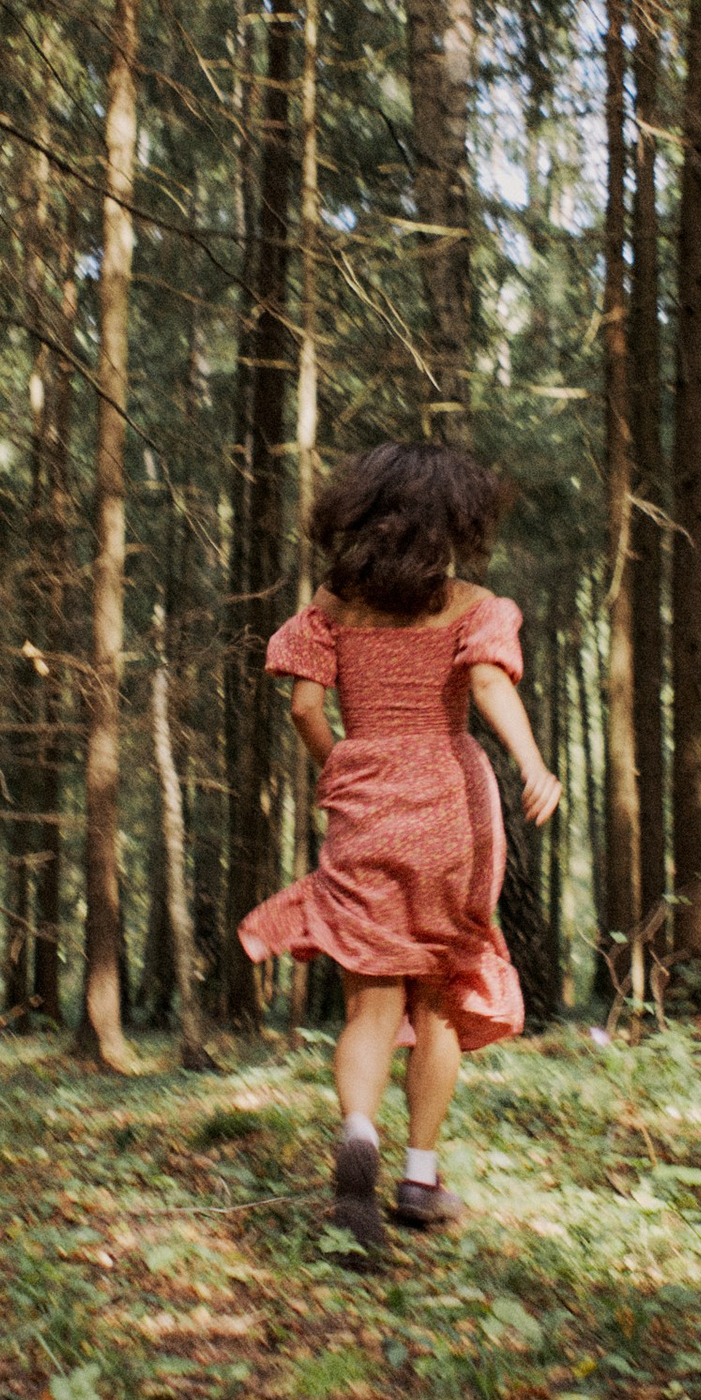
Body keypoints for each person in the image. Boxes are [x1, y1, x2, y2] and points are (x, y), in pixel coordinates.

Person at [239, 440, 561, 1252]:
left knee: (370, 999)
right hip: (452, 805)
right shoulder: (474, 604)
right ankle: (421, 1176)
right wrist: (533, 765)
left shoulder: (331, 606)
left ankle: (357, 1135)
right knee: (441, 994)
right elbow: (488, 684)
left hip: (365, 805)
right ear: (453, 522)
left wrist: (346, 770)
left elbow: (305, 712)